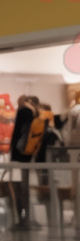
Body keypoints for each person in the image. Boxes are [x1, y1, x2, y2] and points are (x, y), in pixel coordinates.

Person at [9, 95, 40, 230]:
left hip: (21, 155)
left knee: (19, 188)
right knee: (25, 187)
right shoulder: (34, 112)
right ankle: (27, 218)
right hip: (29, 154)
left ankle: (23, 220)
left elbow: (22, 133)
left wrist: (17, 150)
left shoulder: (24, 111)